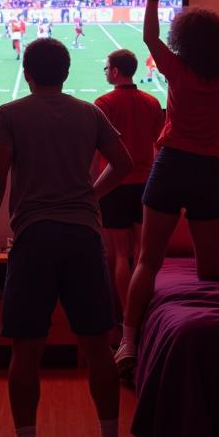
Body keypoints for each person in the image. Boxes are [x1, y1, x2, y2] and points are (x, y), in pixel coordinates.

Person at [0, 38, 134, 437]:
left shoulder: (9, 113)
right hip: (83, 236)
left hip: (34, 238)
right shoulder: (89, 113)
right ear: (66, 71)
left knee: (25, 353)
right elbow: (123, 164)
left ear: (26, 70)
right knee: (98, 348)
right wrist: (90, 197)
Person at [115, 0, 219, 374]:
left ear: (184, 42)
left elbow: (149, 37)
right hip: (206, 169)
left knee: (147, 261)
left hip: (171, 165)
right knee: (210, 267)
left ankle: (127, 343)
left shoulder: (177, 70)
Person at [94, 49, 165, 316]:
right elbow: (158, 145)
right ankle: (141, 312)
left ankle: (126, 314)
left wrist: (92, 184)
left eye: (106, 68)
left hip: (113, 183)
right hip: (146, 182)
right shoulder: (151, 101)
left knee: (121, 254)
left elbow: (95, 149)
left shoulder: (104, 103)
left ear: (114, 71)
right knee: (141, 253)